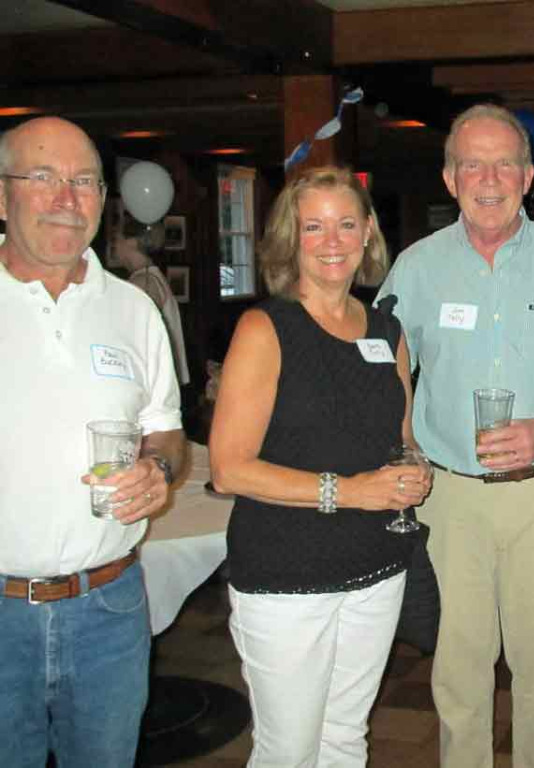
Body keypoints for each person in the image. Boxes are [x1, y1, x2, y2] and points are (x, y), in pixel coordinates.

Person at [376, 104, 534, 768]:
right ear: (450, 177)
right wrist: (404, 445)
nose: (490, 178)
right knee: (457, 675)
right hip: (449, 499)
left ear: (529, 174)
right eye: (472, 163)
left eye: (504, 163)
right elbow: (385, 366)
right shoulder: (417, 267)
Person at [209, 165, 432, 767]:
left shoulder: (387, 331)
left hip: (377, 570)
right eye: (314, 226)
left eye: (345, 225)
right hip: (286, 577)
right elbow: (229, 468)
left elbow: (403, 436)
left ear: (367, 235)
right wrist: (352, 492)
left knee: (345, 737)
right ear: (291, 238)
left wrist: (416, 467)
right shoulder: (265, 328)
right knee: (288, 752)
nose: (332, 241)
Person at [0, 116, 185, 767]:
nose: (64, 199)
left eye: (83, 182)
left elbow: (166, 429)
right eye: (42, 178)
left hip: (107, 611)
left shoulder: (134, 309)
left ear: (104, 200)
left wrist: (157, 468)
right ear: (2, 197)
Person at [115, 214, 191, 386]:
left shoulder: (144, 282)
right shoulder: (151, 277)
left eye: (118, 239)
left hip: (153, 386)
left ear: (132, 242)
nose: (115, 245)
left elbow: (134, 341)